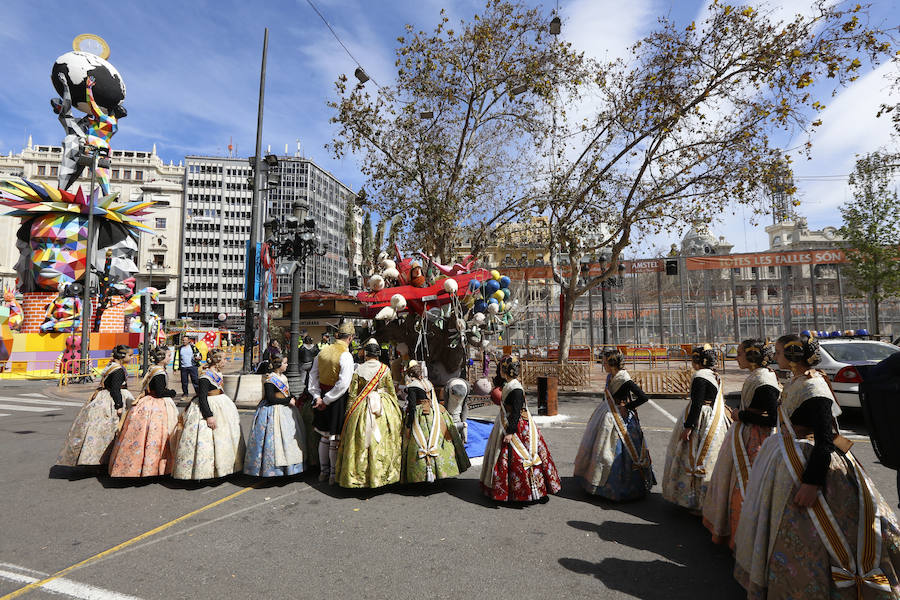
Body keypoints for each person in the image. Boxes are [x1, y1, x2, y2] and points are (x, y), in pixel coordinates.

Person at [734, 334, 900, 599]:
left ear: (792, 356)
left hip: (811, 464)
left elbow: (825, 440)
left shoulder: (814, 388)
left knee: (822, 531)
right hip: (789, 458)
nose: (774, 357)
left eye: (778, 352)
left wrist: (811, 483)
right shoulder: (799, 380)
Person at [702, 339, 780, 547]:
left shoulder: (764, 381)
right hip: (745, 435)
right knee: (734, 484)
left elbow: (773, 418)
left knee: (745, 486)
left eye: (740, 354)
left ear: (752, 356)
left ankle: (745, 537)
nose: (736, 357)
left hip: (757, 441)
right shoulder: (757, 376)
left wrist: (740, 415)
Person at [573, 349, 655, 501]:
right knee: (601, 449)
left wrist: (627, 407)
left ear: (611, 364)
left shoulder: (624, 379)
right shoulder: (611, 376)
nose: (602, 365)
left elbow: (643, 397)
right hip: (607, 413)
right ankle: (599, 483)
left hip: (619, 418)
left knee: (617, 452)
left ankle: (622, 487)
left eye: (604, 362)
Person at [480, 355, 561, 502]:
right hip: (512, 421)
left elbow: (516, 412)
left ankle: (526, 491)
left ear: (505, 370)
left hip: (516, 427)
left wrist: (510, 432)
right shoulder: (510, 385)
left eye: (500, 369)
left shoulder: (515, 388)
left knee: (519, 457)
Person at [661, 345, 730, 512]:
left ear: (698, 361)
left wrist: (688, 427)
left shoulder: (699, 376)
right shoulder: (714, 375)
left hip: (701, 419)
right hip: (713, 418)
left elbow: (697, 404)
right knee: (708, 457)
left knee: (692, 456)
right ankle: (706, 499)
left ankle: (692, 498)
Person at [334, 338, 404, 488]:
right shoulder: (385, 369)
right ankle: (385, 474)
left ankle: (360, 477)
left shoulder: (358, 369)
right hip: (383, 405)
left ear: (365, 353)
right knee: (385, 438)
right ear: (378, 354)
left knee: (359, 440)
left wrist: (348, 413)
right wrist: (396, 409)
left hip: (362, 406)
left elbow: (353, 394)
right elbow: (391, 391)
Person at [171, 349, 244, 480]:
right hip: (210, 407)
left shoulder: (217, 373)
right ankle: (207, 471)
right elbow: (203, 398)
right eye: (224, 359)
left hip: (222, 405)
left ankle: (226, 467)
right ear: (216, 361)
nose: (226, 361)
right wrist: (209, 415)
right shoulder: (205, 376)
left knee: (224, 438)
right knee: (207, 440)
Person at [57, 345, 134, 466]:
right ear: (123, 356)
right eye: (130, 355)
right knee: (112, 429)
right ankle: (108, 458)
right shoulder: (118, 369)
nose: (132, 357)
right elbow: (115, 389)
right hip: (112, 400)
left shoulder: (111, 366)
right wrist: (119, 405)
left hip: (102, 397)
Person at [108, 347, 179, 477]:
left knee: (143, 435)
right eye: (169, 356)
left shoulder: (153, 369)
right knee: (156, 435)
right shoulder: (159, 373)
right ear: (162, 359)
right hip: (156, 404)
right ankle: (152, 467)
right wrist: (172, 393)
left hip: (147, 401)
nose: (170, 358)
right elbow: (159, 392)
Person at [400, 360, 470, 484]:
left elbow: (411, 406)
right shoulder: (428, 383)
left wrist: (409, 423)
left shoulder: (412, 386)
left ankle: (423, 472)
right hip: (433, 413)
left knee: (418, 441)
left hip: (419, 415)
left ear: (410, 374)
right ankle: (439, 469)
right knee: (437, 437)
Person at [243, 355, 306, 477]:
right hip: (273, 411)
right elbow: (271, 399)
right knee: (273, 440)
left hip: (285, 410)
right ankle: (273, 469)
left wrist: (292, 397)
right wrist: (288, 401)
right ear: (279, 365)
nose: (287, 365)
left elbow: (287, 391)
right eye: (285, 363)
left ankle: (291, 467)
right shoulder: (270, 379)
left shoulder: (283, 377)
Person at [308, 322, 355, 484]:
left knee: (324, 437)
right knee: (334, 438)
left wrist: (317, 397)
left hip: (321, 395)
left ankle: (323, 472)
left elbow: (313, 376)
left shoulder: (322, 352)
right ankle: (333, 475)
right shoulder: (346, 355)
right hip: (336, 399)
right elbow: (343, 383)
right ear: (350, 338)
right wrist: (327, 400)